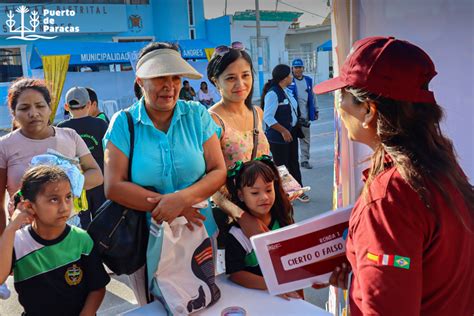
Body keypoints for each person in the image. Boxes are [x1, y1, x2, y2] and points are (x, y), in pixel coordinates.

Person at [313, 36, 474, 315]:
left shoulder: (388, 199)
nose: (338, 107)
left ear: (368, 110)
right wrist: (360, 275)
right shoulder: (442, 167)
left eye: (343, 96)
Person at [103, 42, 227, 305]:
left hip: (200, 231)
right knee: (155, 307)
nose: (169, 85)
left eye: (175, 77)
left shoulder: (197, 115)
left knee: (201, 300)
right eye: (160, 77)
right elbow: (113, 186)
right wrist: (172, 206)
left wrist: (182, 199)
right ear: (140, 81)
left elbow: (218, 171)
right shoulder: (123, 123)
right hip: (147, 240)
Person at [0, 165, 110, 315]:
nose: (64, 207)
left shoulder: (81, 240)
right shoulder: (18, 243)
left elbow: (97, 287)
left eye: (68, 197)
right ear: (29, 206)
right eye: (53, 200)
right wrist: (11, 228)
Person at [0, 78, 103, 235]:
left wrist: (67, 179)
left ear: (50, 108)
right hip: (24, 235)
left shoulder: (70, 136)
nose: (33, 113)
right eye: (24, 107)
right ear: (13, 112)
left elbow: (96, 175)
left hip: (69, 230)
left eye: (40, 106)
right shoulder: (4, 145)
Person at [206, 42, 272, 241]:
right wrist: (241, 216)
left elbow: (265, 162)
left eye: (245, 75)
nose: (240, 84)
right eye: (231, 78)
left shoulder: (257, 113)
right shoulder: (211, 121)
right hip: (232, 221)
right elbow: (210, 186)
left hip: (264, 210)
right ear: (216, 82)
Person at [225, 156, 302, 300]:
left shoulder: (283, 220)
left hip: (289, 296)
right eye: (255, 193)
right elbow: (235, 273)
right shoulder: (237, 234)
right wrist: (272, 285)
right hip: (256, 300)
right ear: (241, 195)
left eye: (268, 190)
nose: (264, 197)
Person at [57, 87, 108, 228]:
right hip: (100, 181)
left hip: (77, 185)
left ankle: (85, 249)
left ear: (66, 107)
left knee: (82, 222)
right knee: (103, 219)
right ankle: (102, 248)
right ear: (89, 105)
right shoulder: (100, 124)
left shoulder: (62, 128)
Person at [262, 64, 309, 203]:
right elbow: (268, 117)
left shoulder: (287, 90)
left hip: (291, 134)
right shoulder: (273, 94)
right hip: (278, 137)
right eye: (289, 74)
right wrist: (282, 130)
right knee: (282, 167)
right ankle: (286, 194)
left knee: (293, 162)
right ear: (283, 78)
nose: (291, 76)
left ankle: (298, 190)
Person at [288, 58, 318, 169]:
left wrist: (316, 109)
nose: (298, 69)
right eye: (296, 67)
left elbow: (313, 96)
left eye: (300, 67)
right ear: (292, 68)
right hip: (292, 118)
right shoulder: (289, 80)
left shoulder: (308, 80)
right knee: (291, 140)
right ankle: (292, 161)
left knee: (305, 139)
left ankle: (305, 160)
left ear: (303, 68)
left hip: (305, 116)